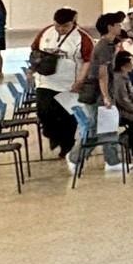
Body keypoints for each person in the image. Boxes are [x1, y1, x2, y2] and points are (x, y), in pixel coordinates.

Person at [30, 8, 91, 158]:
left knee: (66, 117)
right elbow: (34, 50)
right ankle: (52, 135)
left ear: (73, 23)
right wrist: (31, 70)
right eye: (58, 25)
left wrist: (80, 81)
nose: (61, 29)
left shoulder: (82, 37)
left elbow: (88, 61)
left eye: (65, 26)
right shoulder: (46, 32)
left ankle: (66, 146)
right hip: (45, 81)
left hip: (69, 85)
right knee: (44, 111)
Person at [71, 12, 126, 173]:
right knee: (98, 128)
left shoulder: (109, 45)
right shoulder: (103, 47)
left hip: (102, 92)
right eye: (118, 24)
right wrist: (106, 97)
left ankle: (111, 161)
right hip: (97, 94)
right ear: (110, 27)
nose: (120, 27)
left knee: (106, 126)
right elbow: (102, 74)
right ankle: (75, 157)